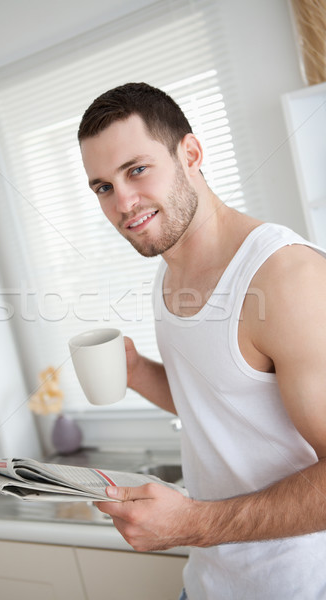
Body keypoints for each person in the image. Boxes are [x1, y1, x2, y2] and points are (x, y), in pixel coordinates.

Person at [77, 82, 326, 599]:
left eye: (136, 170)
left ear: (190, 153)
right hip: (209, 583)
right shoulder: (168, 274)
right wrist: (138, 372)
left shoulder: (286, 277)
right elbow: (223, 403)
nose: (123, 202)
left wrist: (191, 524)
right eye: (103, 186)